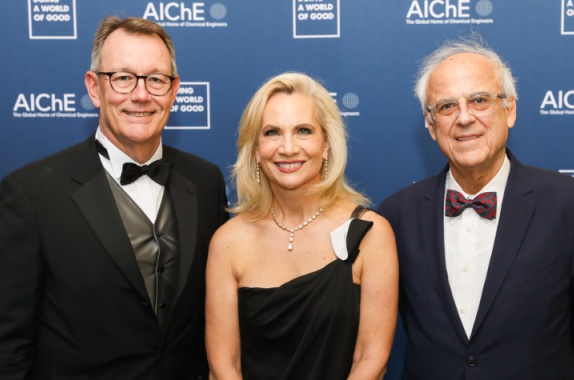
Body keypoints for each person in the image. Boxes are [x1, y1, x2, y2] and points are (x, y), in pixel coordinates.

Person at [0, 16, 228, 380]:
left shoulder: (205, 180)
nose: (140, 94)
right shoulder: (29, 195)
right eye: (123, 78)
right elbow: (9, 347)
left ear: (174, 90)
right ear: (94, 88)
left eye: (155, 79)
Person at [379, 34, 574, 379]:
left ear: (509, 109)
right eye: (446, 106)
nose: (464, 118)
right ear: (430, 124)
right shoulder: (396, 214)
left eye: (479, 100)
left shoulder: (565, 202)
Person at [205, 72, 398, 380]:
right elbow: (223, 366)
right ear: (255, 150)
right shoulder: (228, 242)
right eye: (272, 133)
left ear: (326, 145)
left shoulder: (371, 234)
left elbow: (370, 360)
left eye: (303, 131)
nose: (288, 147)